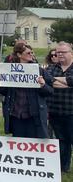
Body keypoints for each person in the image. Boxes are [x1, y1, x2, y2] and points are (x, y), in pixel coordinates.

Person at [0, 43, 53, 139]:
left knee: (33, 143)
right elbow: (3, 91)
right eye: (28, 53)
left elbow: (50, 91)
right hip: (16, 115)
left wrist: (43, 85)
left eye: (32, 52)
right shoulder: (9, 71)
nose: (31, 54)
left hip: (33, 115)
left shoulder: (39, 71)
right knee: (18, 142)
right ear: (19, 55)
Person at [47, 41, 73, 173]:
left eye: (63, 52)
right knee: (61, 141)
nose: (60, 54)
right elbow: (47, 81)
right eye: (58, 52)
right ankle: (64, 167)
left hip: (71, 111)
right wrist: (68, 82)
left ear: (71, 53)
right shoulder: (52, 67)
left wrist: (55, 81)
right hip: (55, 111)